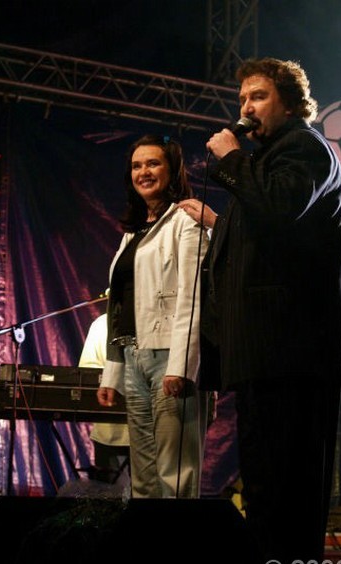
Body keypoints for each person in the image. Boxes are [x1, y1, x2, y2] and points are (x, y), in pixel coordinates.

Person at [180, 58, 341, 564]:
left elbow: (281, 209)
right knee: (264, 491)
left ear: (291, 103)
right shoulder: (267, 161)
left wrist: (232, 159)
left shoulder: (304, 147)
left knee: (289, 493)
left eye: (257, 96)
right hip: (267, 354)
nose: (245, 107)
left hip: (295, 353)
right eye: (241, 99)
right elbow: (268, 235)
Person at [97, 134, 209, 498]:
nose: (143, 172)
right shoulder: (134, 232)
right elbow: (120, 305)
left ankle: (175, 538)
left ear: (172, 170)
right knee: (143, 476)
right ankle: (147, 537)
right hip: (134, 356)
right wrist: (113, 371)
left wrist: (181, 366)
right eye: (136, 165)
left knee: (174, 472)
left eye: (153, 163)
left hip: (168, 357)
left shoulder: (186, 219)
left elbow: (193, 296)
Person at [79, 312, 130, 486]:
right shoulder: (101, 324)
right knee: (111, 491)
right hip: (110, 428)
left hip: (145, 429)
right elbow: (88, 370)